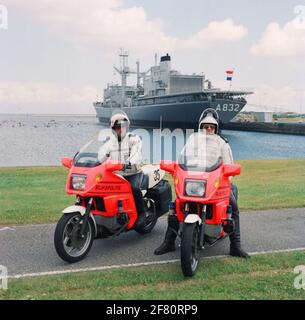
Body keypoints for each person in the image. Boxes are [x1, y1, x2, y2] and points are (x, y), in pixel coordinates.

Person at [154, 108, 250, 258]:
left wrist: (225, 179)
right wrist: (176, 168)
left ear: (216, 128)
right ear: (201, 127)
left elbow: (229, 163)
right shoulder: (192, 141)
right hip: (195, 183)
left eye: (212, 127)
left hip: (216, 183)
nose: (209, 129)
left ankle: (235, 246)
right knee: (176, 205)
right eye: (206, 126)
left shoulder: (222, 143)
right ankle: (168, 241)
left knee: (233, 208)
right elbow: (182, 159)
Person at [98, 109, 146, 228]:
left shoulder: (133, 139)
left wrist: (128, 164)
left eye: (123, 126)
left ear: (127, 126)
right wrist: (94, 163)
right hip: (117, 174)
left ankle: (141, 214)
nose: (121, 129)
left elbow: (136, 154)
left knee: (134, 188)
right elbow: (102, 156)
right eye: (118, 126)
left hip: (133, 172)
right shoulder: (110, 142)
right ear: (113, 128)